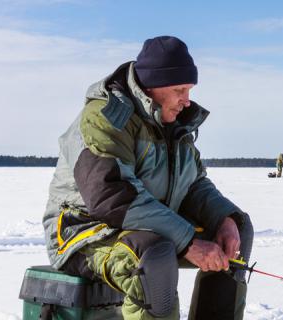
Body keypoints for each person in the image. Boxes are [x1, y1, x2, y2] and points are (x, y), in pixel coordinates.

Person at [42, 36, 253, 320]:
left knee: (237, 230)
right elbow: (112, 197)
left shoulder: (173, 123)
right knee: (154, 257)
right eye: (179, 89)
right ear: (152, 86)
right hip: (85, 233)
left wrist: (225, 218)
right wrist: (188, 242)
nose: (186, 100)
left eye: (189, 90)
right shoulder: (105, 117)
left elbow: (194, 186)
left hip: (147, 229)